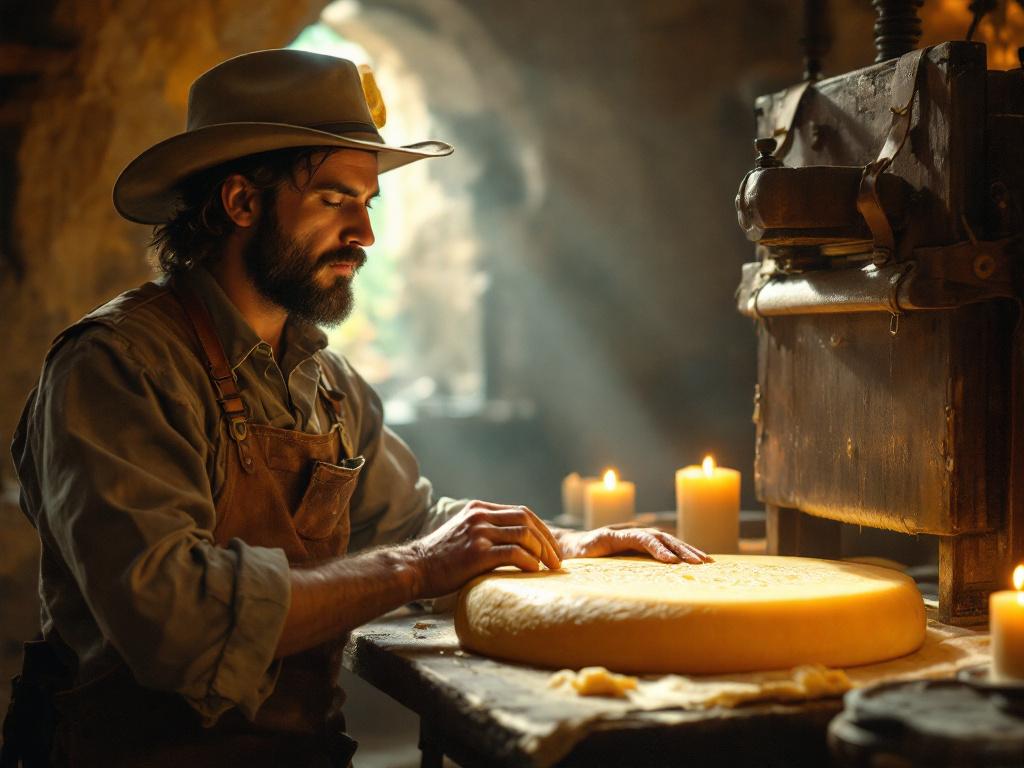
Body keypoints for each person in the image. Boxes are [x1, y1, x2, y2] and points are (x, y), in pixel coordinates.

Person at [3, 49, 709, 767]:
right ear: (241, 202)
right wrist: (412, 569)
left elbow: (418, 525)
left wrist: (561, 545)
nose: (365, 235)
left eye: (367, 204)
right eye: (336, 199)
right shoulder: (117, 367)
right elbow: (173, 620)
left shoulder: (329, 386)